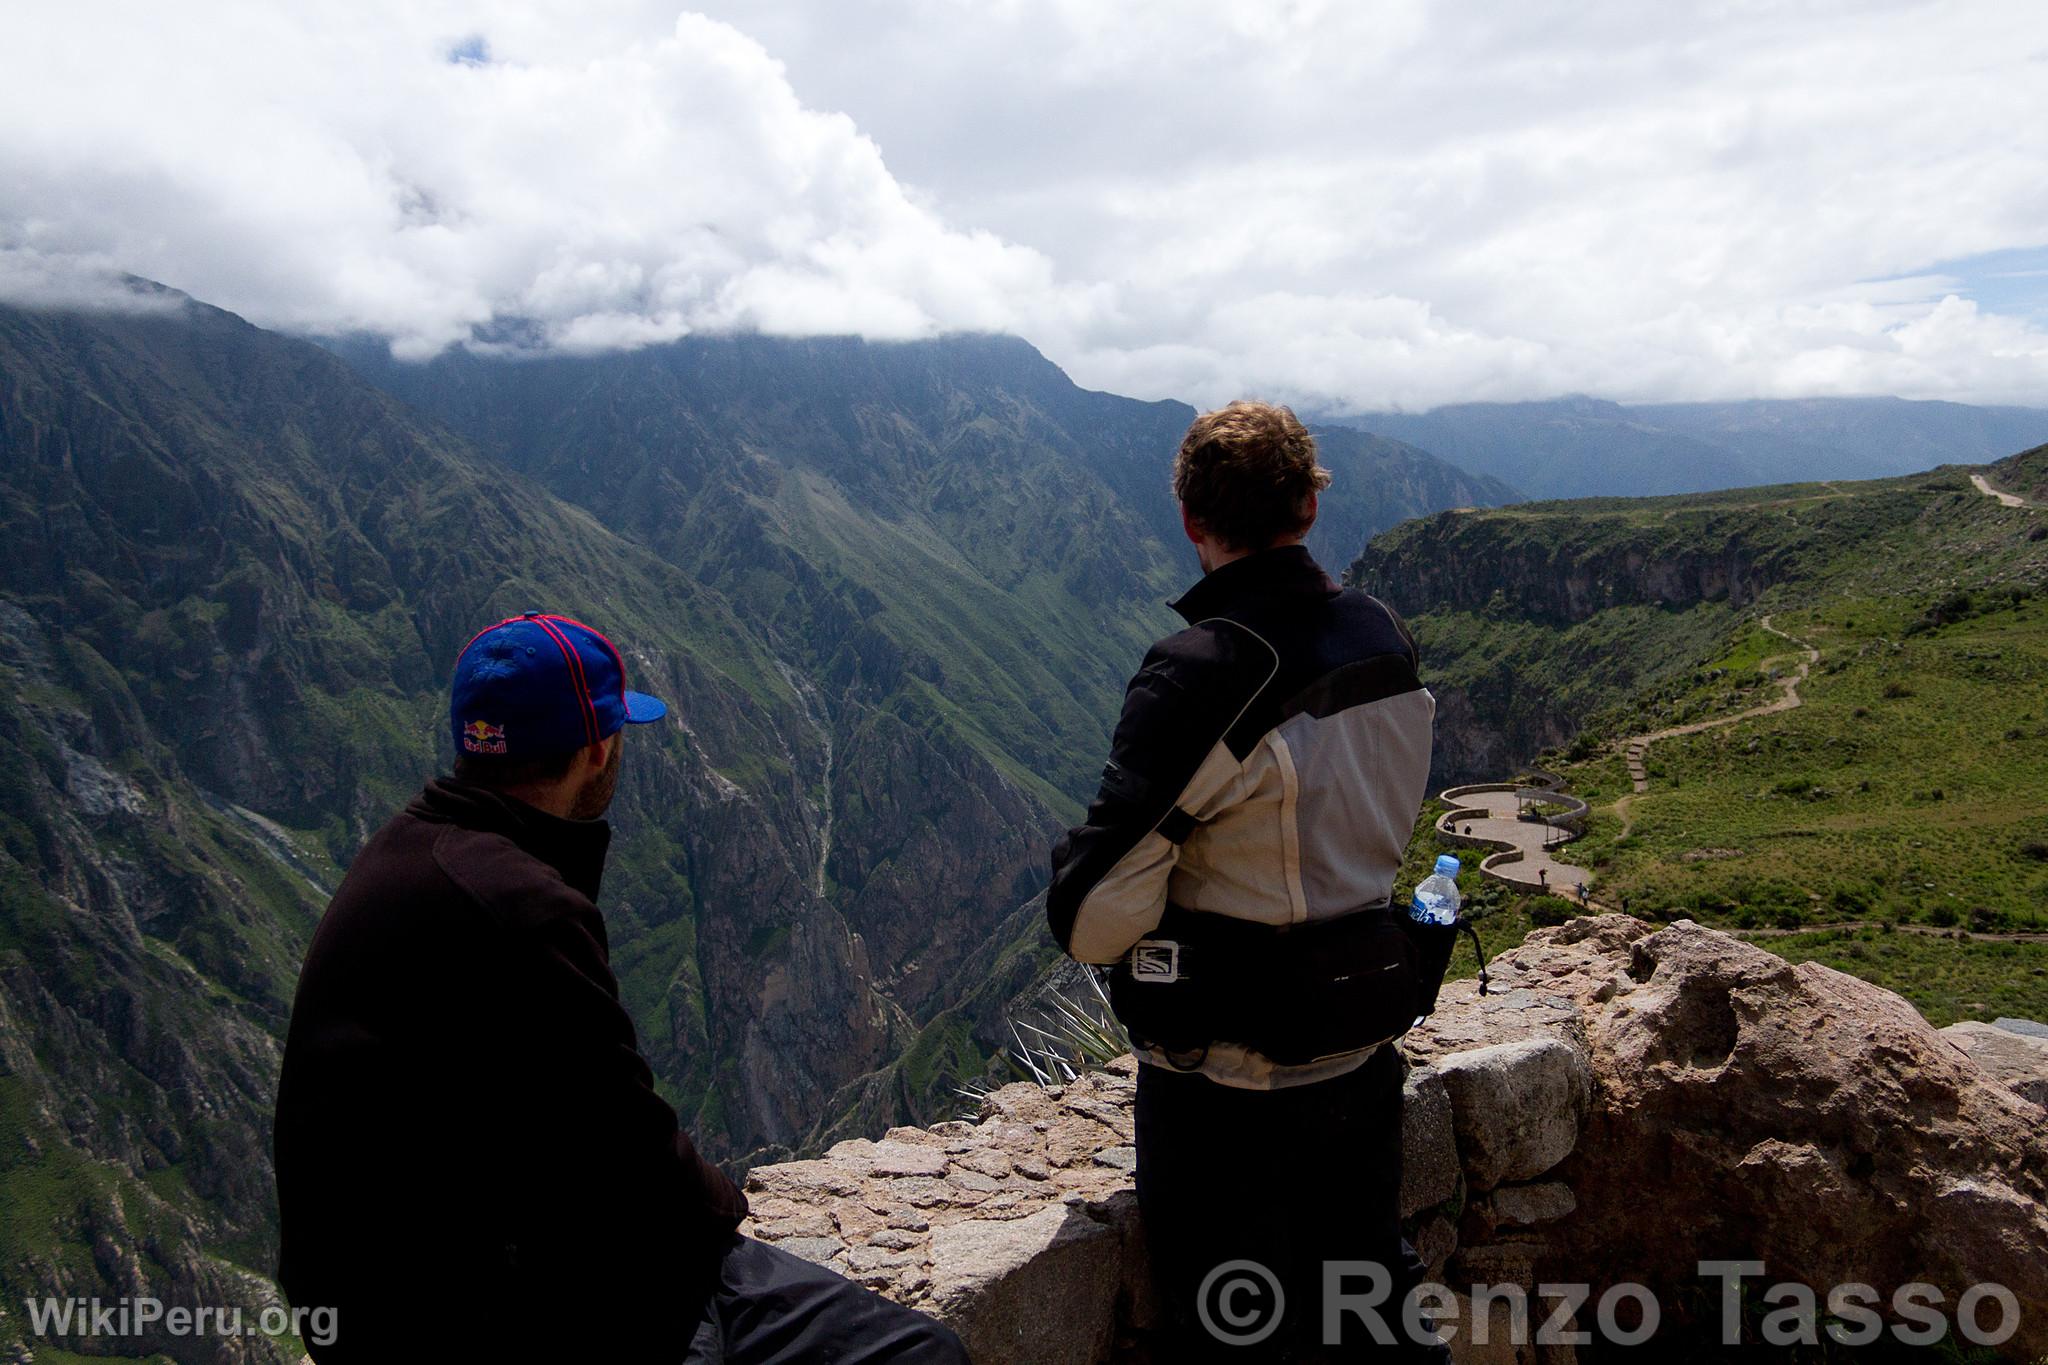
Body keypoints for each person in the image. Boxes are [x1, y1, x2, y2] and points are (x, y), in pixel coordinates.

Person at [275, 613, 965, 1364]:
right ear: (597, 749)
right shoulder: (519, 907)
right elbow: (629, 1147)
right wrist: (725, 1206)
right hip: (471, 1314)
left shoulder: (404, 854)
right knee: (918, 1355)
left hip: (380, 1295)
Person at [1048, 404, 1449, 1360]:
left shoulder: (1206, 671)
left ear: (1191, 519)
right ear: (1309, 507)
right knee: (1372, 1322)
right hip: (1362, 1059)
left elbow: (1095, 920)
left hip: (1228, 1098)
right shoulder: (1383, 639)